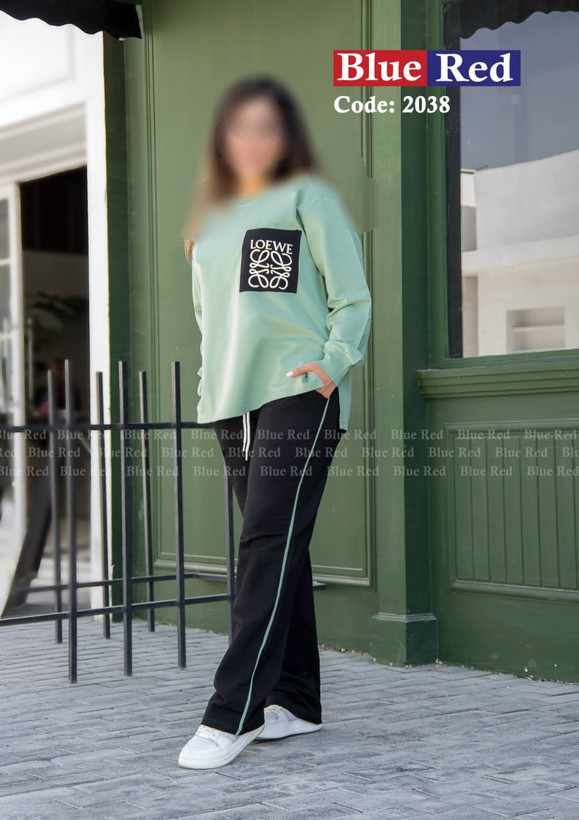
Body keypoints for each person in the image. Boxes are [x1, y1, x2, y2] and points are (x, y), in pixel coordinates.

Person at [178, 75, 372, 770]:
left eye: (268, 126)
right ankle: (298, 700)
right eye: (240, 127)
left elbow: (352, 297)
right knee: (281, 545)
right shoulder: (207, 218)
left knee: (264, 543)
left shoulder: (306, 196)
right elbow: (212, 321)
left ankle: (232, 712)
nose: (253, 140)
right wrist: (210, 392)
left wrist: (333, 364)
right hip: (232, 403)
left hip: (297, 392)